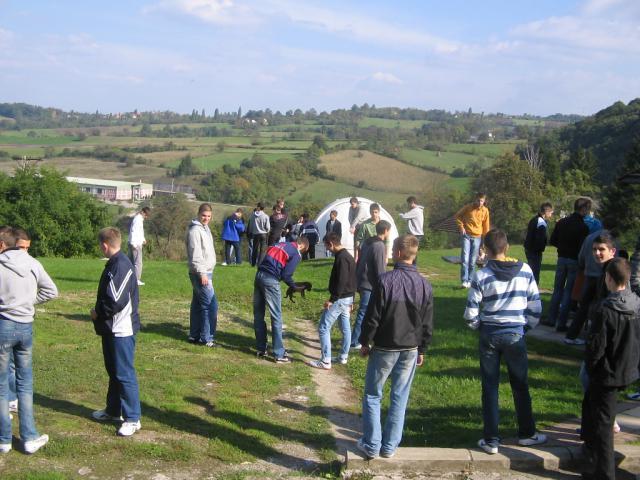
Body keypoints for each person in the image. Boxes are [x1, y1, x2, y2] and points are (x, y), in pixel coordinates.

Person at [464, 229, 546, 455]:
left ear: (485, 251)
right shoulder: (526, 271)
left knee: (490, 386)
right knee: (520, 384)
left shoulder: (481, 275)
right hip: (515, 334)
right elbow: (536, 308)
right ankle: (527, 434)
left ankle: (491, 440)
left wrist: (480, 327)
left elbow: (470, 314)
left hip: (490, 334)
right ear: (507, 247)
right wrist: (523, 328)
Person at [357, 235, 433, 459]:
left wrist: (365, 341)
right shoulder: (425, 285)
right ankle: (389, 447)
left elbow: (373, 317)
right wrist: (422, 349)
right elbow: (427, 323)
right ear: (414, 254)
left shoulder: (384, 281)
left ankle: (372, 444)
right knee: (400, 396)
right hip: (410, 348)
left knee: (373, 395)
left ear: (399, 253)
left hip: (385, 346)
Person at [581, 258, 640, 480]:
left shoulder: (605, 310)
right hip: (628, 366)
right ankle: (590, 453)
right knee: (596, 411)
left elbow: (596, 346)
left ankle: (604, 473)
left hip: (607, 372)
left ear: (609, 279)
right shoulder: (636, 304)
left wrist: (592, 366)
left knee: (604, 425)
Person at [0, 226, 57, 453]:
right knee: (25, 384)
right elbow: (51, 291)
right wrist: (28, 302)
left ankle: (4, 439)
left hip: (3, 325)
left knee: (2, 385)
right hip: (25, 327)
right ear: (18, 243)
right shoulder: (33, 263)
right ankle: (30, 436)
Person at [90, 227, 141, 437]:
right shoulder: (114, 263)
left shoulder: (120, 265)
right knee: (114, 372)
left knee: (124, 373)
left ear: (105, 245)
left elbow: (115, 300)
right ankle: (113, 411)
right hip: (112, 329)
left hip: (121, 329)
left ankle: (132, 418)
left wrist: (97, 313)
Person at [253, 236, 309, 363]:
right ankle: (279, 354)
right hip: (271, 280)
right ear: (302, 246)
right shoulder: (295, 253)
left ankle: (261, 349)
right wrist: (294, 287)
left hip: (259, 275)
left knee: (258, 314)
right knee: (276, 317)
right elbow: (286, 274)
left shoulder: (279, 244)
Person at [308, 232, 356, 369]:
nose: (327, 249)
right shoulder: (348, 256)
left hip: (340, 299)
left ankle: (325, 361)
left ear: (331, 244)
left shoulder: (341, 258)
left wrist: (332, 299)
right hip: (348, 298)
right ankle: (343, 357)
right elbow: (353, 279)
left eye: (326, 246)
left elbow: (341, 281)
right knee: (345, 328)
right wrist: (352, 299)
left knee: (323, 327)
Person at [564, 220, 616, 345]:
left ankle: (573, 335)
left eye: (601, 250)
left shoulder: (590, 237)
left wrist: (584, 266)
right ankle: (593, 338)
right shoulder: (613, 240)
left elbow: (581, 256)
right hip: (600, 276)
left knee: (585, 307)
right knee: (599, 307)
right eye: (595, 250)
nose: (597, 253)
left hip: (591, 274)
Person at [545, 197, 591, 331]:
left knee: (557, 290)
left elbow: (553, 240)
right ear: (583, 209)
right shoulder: (583, 227)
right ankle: (561, 323)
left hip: (561, 257)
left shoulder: (562, 222)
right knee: (568, 291)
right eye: (587, 210)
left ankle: (551, 319)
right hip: (574, 260)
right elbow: (583, 248)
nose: (588, 212)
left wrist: (562, 245)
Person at [351, 220, 390, 349]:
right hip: (369, 283)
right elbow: (380, 268)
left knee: (365, 312)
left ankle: (363, 338)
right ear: (385, 231)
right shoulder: (379, 245)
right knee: (364, 312)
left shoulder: (367, 242)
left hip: (361, 279)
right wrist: (384, 284)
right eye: (388, 231)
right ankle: (355, 341)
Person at [186, 203, 218, 347]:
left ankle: (194, 335)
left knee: (198, 304)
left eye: (209, 216)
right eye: (204, 216)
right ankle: (207, 338)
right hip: (201, 273)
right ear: (198, 214)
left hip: (205, 271)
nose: (206, 218)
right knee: (210, 305)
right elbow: (196, 255)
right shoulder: (195, 231)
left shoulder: (205, 229)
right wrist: (202, 273)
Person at [455, 192, 490, 288]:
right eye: (478, 200)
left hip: (477, 236)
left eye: (481, 201)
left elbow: (486, 227)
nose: (479, 202)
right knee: (465, 258)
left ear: (484, 201)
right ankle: (464, 281)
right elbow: (458, 216)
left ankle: (470, 281)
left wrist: (485, 239)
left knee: (473, 260)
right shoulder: (468, 207)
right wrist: (461, 227)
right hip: (466, 235)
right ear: (475, 199)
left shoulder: (485, 211)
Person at [524, 202, 554, 285]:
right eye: (551, 213)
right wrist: (540, 249)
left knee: (531, 271)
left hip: (529, 248)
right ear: (546, 212)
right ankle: (533, 291)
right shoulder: (541, 223)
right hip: (535, 251)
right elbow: (540, 239)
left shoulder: (534, 219)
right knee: (535, 273)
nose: (551, 215)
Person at [128, 207, 150, 286]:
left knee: (130, 262)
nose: (146, 217)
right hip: (136, 244)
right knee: (138, 263)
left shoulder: (138, 219)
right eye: (146, 215)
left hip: (134, 242)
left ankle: (128, 278)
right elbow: (134, 231)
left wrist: (143, 239)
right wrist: (133, 243)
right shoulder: (138, 220)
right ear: (143, 213)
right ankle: (136, 280)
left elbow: (140, 231)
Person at [248, 203, 270, 267]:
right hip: (263, 234)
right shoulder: (266, 216)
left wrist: (252, 231)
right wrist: (266, 231)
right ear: (263, 208)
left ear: (258, 207)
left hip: (255, 234)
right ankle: (260, 264)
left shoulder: (252, 215)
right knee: (262, 250)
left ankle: (253, 263)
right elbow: (268, 227)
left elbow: (251, 226)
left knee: (255, 249)